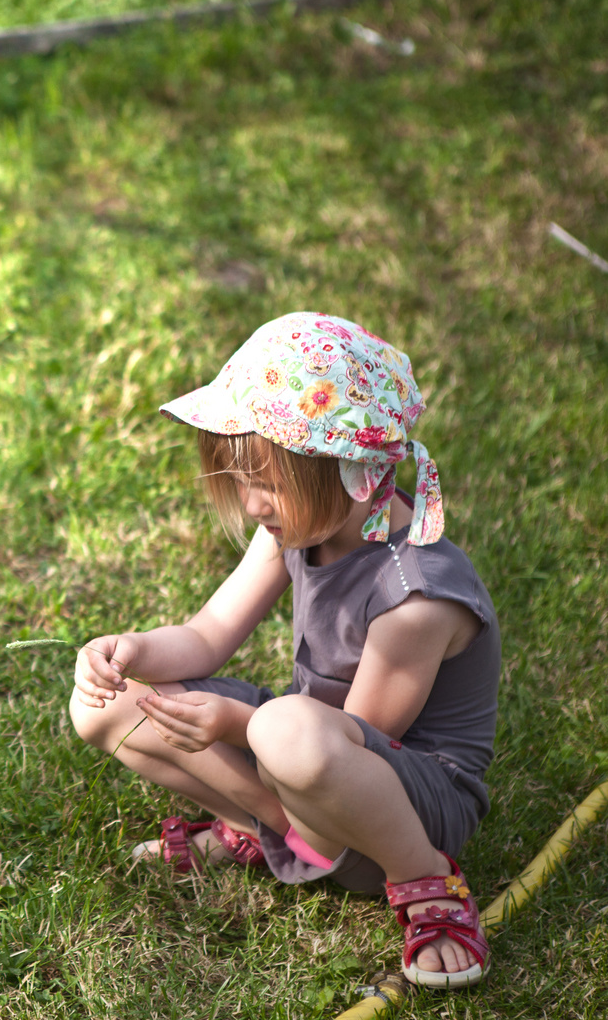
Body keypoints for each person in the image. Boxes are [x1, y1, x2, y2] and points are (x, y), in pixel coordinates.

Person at [69, 312, 498, 990]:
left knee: (281, 727)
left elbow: (364, 735)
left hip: (391, 811)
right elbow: (209, 635)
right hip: (303, 778)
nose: (250, 504)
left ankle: (426, 884)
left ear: (345, 467)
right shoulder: (302, 526)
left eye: (265, 483)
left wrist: (236, 726)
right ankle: (267, 834)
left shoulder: (415, 595)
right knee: (103, 707)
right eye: (242, 482)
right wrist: (127, 651)